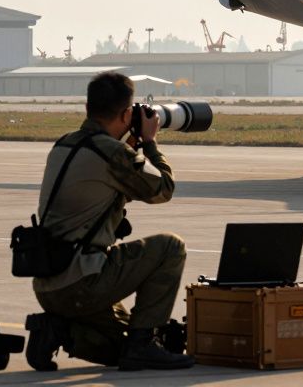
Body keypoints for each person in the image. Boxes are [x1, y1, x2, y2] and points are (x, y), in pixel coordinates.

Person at [23, 72, 193, 371]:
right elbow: (163, 189)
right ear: (127, 114)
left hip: (50, 285)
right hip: (82, 284)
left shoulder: (65, 144)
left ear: (88, 108)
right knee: (170, 247)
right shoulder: (112, 153)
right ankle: (142, 346)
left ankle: (57, 330)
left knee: (120, 347)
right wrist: (150, 142)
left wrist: (129, 143)